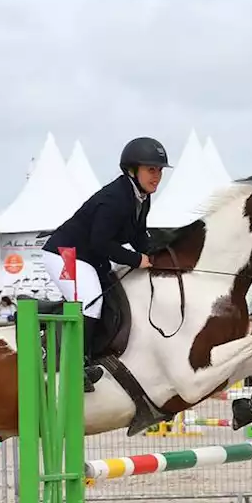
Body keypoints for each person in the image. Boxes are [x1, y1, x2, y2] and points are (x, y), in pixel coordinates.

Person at [42, 136, 171, 390]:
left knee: (115, 293)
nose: (156, 176)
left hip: (89, 256)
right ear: (132, 170)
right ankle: (75, 365)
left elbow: (137, 236)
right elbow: (101, 242)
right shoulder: (115, 199)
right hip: (64, 253)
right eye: (150, 169)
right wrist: (136, 259)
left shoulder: (141, 197)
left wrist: (158, 255)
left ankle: (95, 353)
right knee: (90, 299)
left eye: (159, 170)